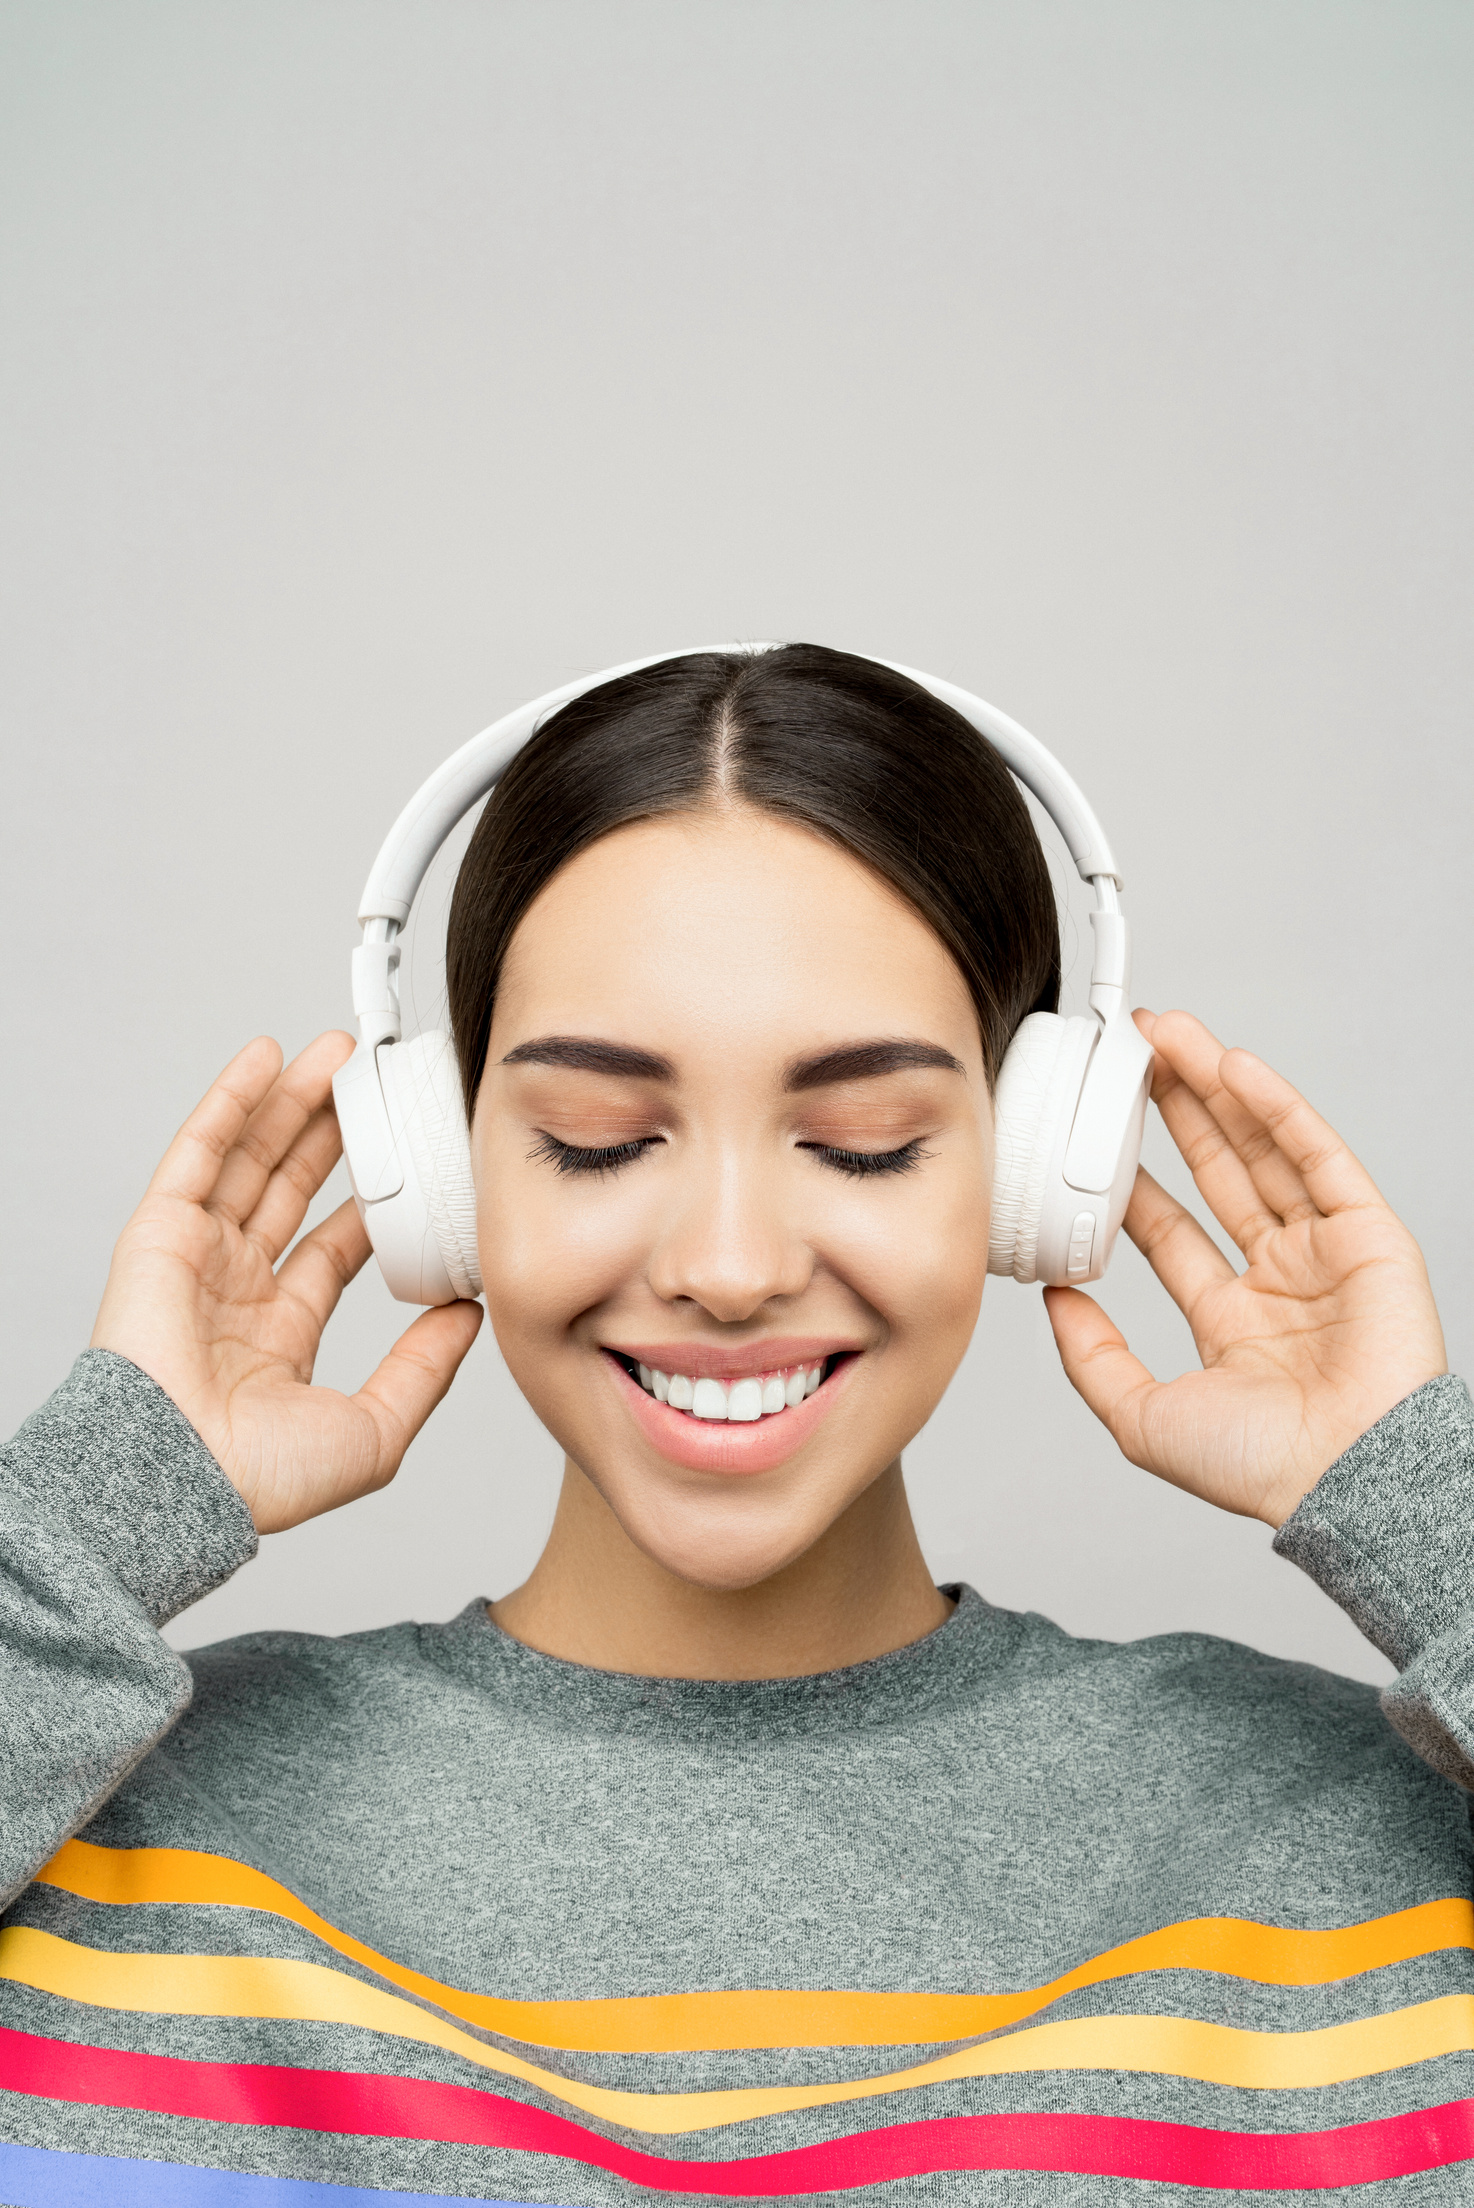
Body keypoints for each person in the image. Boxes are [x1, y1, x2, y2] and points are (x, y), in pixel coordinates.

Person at [0, 644, 1467, 2208]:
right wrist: (102, 1504)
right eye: (595, 1141)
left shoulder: (1352, 1844)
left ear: (1037, 1168)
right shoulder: (109, 1823)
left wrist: (1426, 1510)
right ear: (437, 1175)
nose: (727, 1267)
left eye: (863, 1145)